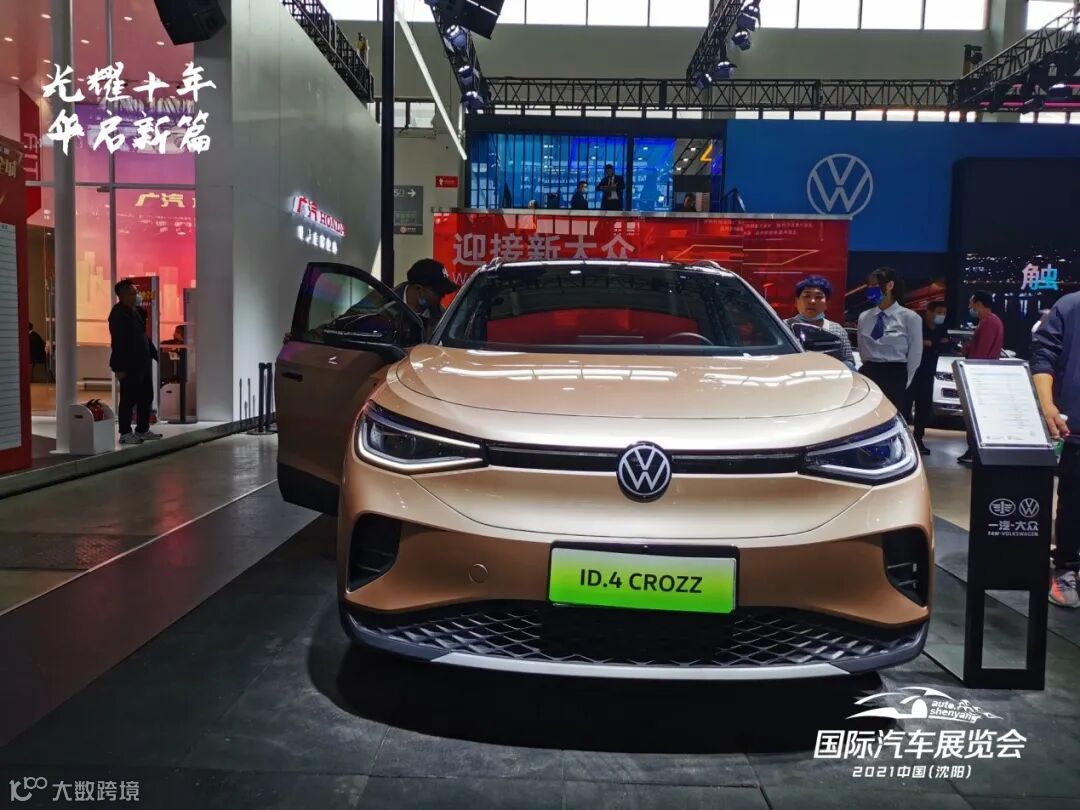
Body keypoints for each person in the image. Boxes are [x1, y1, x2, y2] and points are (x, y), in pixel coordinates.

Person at [1030, 292, 1080, 607]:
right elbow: (1043, 353)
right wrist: (1047, 404)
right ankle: (1066, 569)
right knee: (1074, 500)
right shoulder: (1071, 306)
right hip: (1076, 423)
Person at [856, 267, 923, 415]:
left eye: (875, 285)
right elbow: (862, 349)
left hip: (895, 375)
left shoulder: (910, 317)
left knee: (891, 416)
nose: (871, 289)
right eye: (869, 285)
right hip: (869, 372)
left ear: (890, 285)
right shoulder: (864, 317)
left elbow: (915, 354)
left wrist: (906, 382)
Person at [108, 280, 161, 444]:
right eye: (133, 293)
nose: (137, 295)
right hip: (129, 365)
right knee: (128, 399)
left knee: (146, 396)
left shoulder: (135, 312)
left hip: (142, 362)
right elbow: (119, 342)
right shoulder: (118, 314)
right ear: (123, 295)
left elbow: (142, 336)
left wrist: (152, 353)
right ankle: (125, 432)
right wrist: (119, 367)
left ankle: (142, 429)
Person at [957, 290, 1005, 464]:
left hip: (980, 376)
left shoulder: (989, 322)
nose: (970, 307)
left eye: (971, 303)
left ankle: (974, 451)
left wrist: (968, 353)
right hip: (984, 374)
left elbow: (981, 353)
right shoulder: (991, 321)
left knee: (975, 416)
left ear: (978, 303)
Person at [784, 275, 855, 371]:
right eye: (806, 296)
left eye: (818, 297)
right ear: (796, 302)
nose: (812, 301)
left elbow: (848, 361)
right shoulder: (783, 327)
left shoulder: (837, 329)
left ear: (826, 304)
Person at [910, 301, 950, 456]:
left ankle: (918, 439)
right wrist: (935, 344)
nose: (942, 316)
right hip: (912, 371)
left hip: (928, 373)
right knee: (905, 407)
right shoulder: (917, 325)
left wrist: (930, 344)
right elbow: (914, 344)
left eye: (944, 313)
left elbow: (945, 346)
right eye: (939, 312)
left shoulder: (942, 329)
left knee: (923, 408)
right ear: (929, 312)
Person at [394, 258, 459, 338]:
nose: (442, 296)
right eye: (438, 292)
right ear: (418, 288)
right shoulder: (385, 307)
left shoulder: (441, 316)